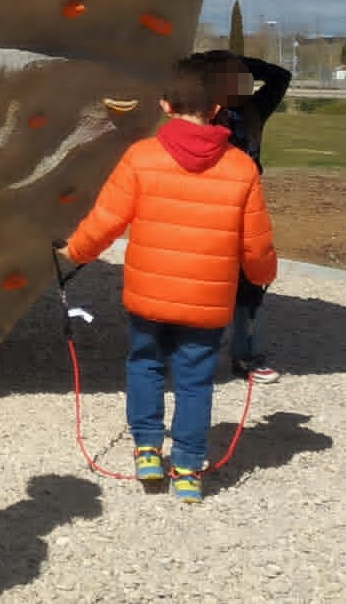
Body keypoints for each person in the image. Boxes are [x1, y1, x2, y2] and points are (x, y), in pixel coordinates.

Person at [59, 55, 277, 504]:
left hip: (149, 295)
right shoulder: (241, 168)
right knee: (195, 381)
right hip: (207, 300)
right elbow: (255, 246)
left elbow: (106, 220)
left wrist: (73, 252)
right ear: (217, 108)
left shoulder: (141, 157)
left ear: (164, 105)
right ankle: (188, 469)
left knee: (145, 364)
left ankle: (146, 449)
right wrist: (262, 275)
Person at [202, 50, 292, 383]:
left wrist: (240, 63)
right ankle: (194, 352)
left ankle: (245, 355)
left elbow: (281, 77)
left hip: (244, 207)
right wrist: (210, 64)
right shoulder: (204, 112)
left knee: (251, 283)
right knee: (206, 283)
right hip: (207, 208)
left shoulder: (252, 110)